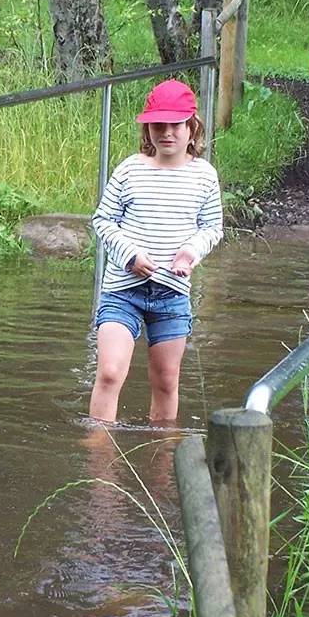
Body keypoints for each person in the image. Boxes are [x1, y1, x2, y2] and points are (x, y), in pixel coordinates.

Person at [89, 80, 223, 423]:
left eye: (175, 125)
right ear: (147, 128)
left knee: (165, 382)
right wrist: (130, 255)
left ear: (192, 128)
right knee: (109, 372)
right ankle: (98, 463)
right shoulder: (130, 169)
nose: (166, 133)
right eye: (157, 125)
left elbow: (212, 228)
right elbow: (103, 219)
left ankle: (160, 461)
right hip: (122, 290)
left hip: (171, 293)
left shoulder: (204, 176)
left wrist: (190, 252)